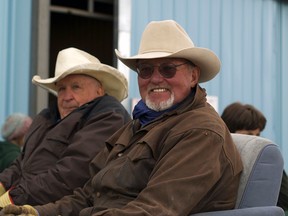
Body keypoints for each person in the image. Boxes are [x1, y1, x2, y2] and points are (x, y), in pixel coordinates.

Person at [0, 20, 243, 216]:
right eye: (146, 70)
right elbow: (88, 194)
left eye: (168, 68)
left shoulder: (199, 131)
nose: (156, 78)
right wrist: (37, 212)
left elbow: (153, 209)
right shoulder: (139, 125)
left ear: (193, 77)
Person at [0, 47, 131, 207]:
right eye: (61, 88)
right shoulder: (46, 117)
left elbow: (71, 174)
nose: (67, 96)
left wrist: (11, 200)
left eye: (76, 87)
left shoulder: (108, 116)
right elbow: (22, 163)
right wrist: (2, 185)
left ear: (99, 90)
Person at [221, 101, 288, 214]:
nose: (255, 141)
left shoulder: (264, 159)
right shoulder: (215, 157)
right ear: (229, 132)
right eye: (248, 135)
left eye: (257, 135)